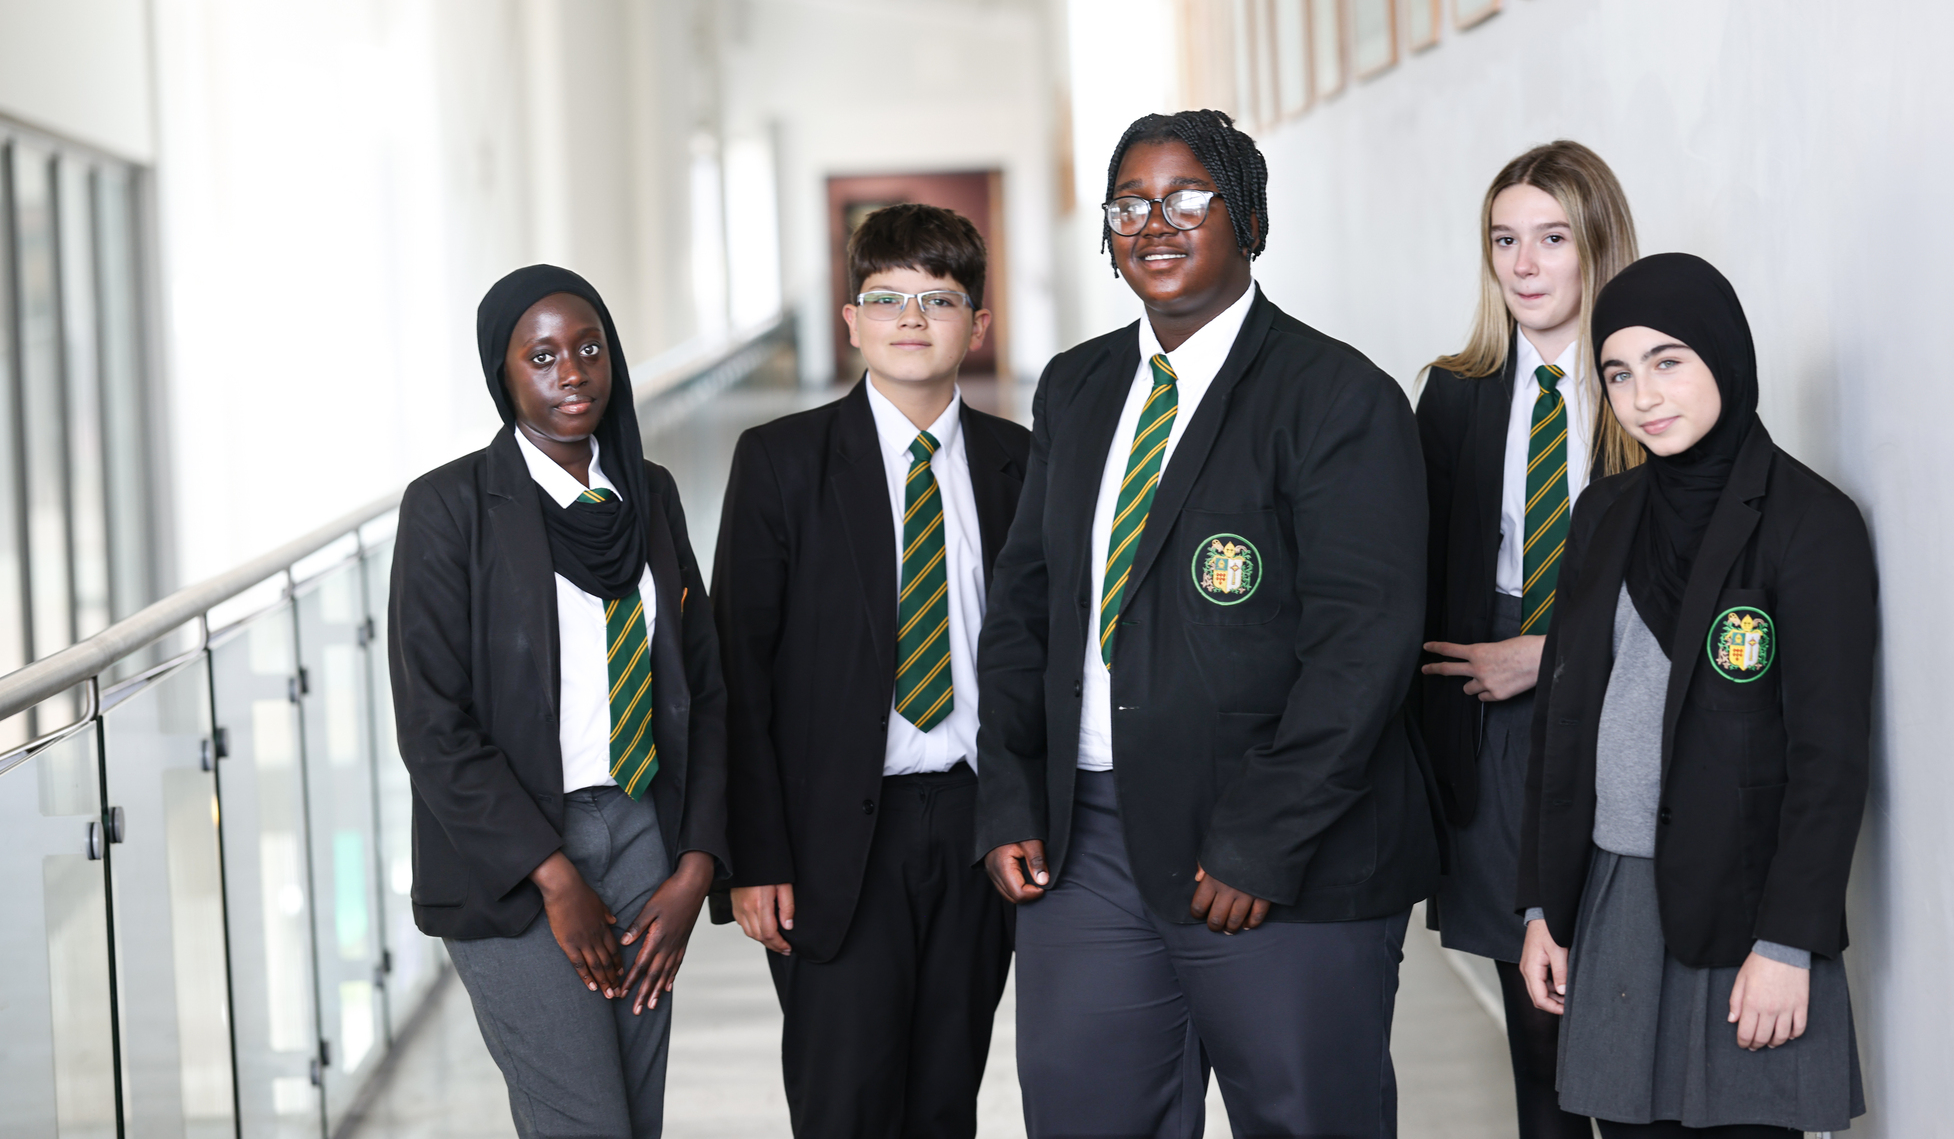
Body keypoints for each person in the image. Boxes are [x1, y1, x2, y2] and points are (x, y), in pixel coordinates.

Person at [975, 109, 1435, 1139]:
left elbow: (1362, 648)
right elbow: (1024, 607)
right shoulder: (1077, 387)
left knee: (1307, 1119)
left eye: (1187, 199)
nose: (1154, 223)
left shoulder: (1336, 397)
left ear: (1250, 221)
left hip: (1279, 853)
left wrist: (1261, 838)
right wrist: (1009, 792)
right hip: (1085, 848)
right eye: (1129, 205)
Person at [1517, 253, 1875, 1138]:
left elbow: (1829, 759)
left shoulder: (1811, 524)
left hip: (1745, 911)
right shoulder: (1603, 514)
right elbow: (1561, 725)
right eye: (1618, 373)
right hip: (1614, 901)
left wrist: (1789, 943)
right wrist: (1543, 906)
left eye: (1668, 361)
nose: (1644, 396)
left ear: (1723, 353)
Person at [388, 265, 728, 1139]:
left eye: (589, 348)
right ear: (502, 374)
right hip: (516, 863)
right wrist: (552, 873)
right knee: (583, 1122)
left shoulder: (651, 494)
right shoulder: (449, 508)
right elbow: (432, 725)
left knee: (635, 1120)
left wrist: (695, 866)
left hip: (645, 839)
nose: (571, 372)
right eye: (541, 356)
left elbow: (703, 690)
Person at [714, 203, 1031, 1137]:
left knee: (946, 1100)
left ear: (978, 324)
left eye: (939, 299)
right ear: (851, 320)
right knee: (844, 1104)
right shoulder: (780, 462)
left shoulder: (1022, 464)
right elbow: (739, 671)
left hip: (979, 828)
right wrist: (755, 858)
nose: (911, 318)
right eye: (887, 297)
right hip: (833, 840)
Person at [1414, 141, 1641, 1139]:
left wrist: (1549, 653)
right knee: (1538, 1017)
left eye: (1551, 238)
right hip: (1493, 719)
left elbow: (1690, 581)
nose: (1524, 264)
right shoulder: (1455, 392)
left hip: (1626, 696)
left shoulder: (1648, 386)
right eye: (1504, 240)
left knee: (1626, 1001)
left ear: (1597, 245)